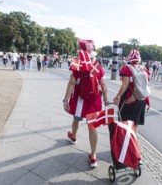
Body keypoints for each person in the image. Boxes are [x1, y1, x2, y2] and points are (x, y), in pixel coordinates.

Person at [62, 40, 109, 168]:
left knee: (76, 119)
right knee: (92, 127)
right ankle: (93, 156)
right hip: (94, 100)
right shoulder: (98, 66)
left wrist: (66, 99)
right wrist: (105, 99)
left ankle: (74, 137)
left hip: (79, 100)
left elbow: (72, 83)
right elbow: (103, 84)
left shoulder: (77, 64)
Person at [113, 49, 149, 135]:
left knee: (124, 122)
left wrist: (117, 96)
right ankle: (133, 141)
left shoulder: (126, 68)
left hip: (129, 99)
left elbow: (125, 84)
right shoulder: (144, 68)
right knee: (135, 123)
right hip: (142, 99)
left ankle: (125, 142)